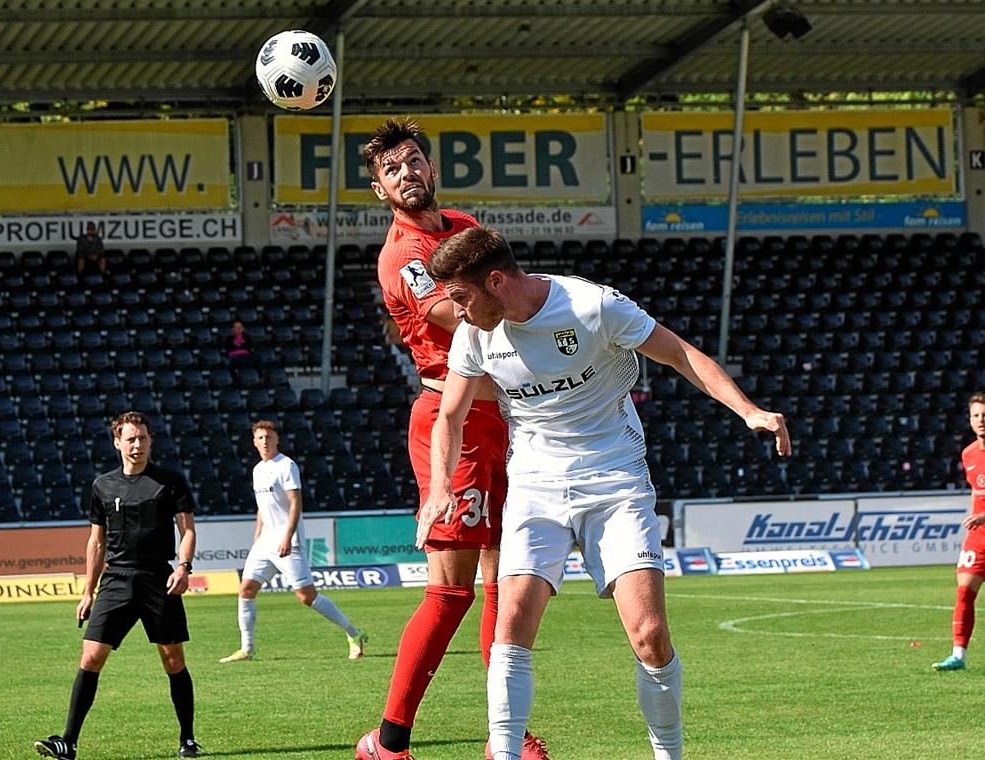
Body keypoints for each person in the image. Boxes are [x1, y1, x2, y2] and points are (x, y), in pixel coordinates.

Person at [422, 226, 792, 760]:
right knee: (511, 627)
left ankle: (668, 754)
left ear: (496, 281)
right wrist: (439, 487)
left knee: (648, 634)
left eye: (460, 297)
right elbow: (450, 417)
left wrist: (749, 411)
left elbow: (681, 355)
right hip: (534, 483)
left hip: (614, 478)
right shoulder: (474, 334)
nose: (455, 312)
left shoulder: (592, 305)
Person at [356, 118, 548, 760]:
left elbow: (505, 293)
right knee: (450, 590)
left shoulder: (465, 225)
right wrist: (544, 327)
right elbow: (457, 313)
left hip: (512, 421)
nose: (407, 173)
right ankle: (388, 742)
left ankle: (506, 739)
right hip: (453, 423)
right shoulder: (400, 256)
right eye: (392, 169)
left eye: (414, 161)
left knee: (506, 583)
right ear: (381, 190)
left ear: (430, 169)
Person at [34, 411, 202, 760]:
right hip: (116, 580)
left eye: (142, 438)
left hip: (159, 579)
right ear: (117, 443)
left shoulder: (170, 482)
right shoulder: (102, 485)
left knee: (172, 660)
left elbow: (187, 531)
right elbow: (96, 542)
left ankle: (187, 739)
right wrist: (87, 591)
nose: (137, 444)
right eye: (130, 439)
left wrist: (184, 567)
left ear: (151, 441)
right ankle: (68, 742)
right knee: (91, 656)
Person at [219, 419, 368, 662]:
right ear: (254, 442)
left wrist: (288, 536)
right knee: (246, 589)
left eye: (269, 437)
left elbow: (295, 502)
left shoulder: (286, 465)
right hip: (265, 542)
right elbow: (262, 507)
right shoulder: (257, 469)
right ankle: (247, 649)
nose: (265, 441)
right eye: (260, 437)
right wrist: (257, 534)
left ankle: (354, 633)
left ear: (277, 439)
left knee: (306, 596)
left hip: (287, 540)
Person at [932, 392, 985, 672]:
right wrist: (975, 519)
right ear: (970, 420)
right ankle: (958, 656)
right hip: (978, 538)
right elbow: (976, 493)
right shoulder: (968, 454)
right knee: (964, 592)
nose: (981, 420)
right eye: (976, 415)